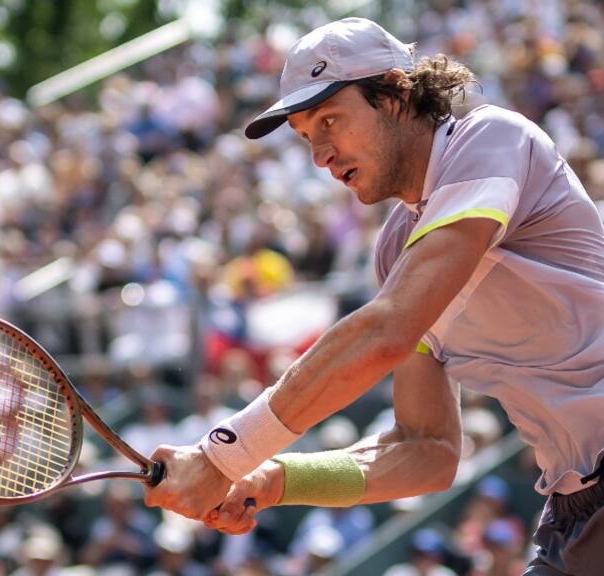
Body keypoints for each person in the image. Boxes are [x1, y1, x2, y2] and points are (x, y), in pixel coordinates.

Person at [142, 17, 604, 576]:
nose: (320, 154)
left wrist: (225, 453)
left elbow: (388, 332)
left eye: (331, 120)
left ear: (395, 93)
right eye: (306, 134)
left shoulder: (492, 139)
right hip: (574, 512)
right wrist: (273, 478)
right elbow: (427, 451)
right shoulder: (394, 255)